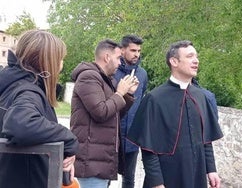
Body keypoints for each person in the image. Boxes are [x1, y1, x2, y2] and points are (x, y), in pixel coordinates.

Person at [127, 40, 223, 188]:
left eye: (196, 56)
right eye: (190, 56)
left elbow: (206, 139)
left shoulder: (201, 96)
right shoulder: (154, 99)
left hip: (197, 174)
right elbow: (148, 148)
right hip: (167, 177)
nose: (196, 60)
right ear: (174, 61)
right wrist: (157, 183)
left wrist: (211, 170)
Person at [0, 29, 78, 188]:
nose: (62, 64)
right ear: (49, 61)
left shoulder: (12, 85)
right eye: (60, 59)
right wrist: (68, 138)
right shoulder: (28, 90)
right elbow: (20, 124)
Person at [70, 39, 139, 188]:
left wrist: (126, 95)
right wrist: (120, 93)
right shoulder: (89, 77)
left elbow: (114, 115)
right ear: (107, 57)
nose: (120, 63)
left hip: (100, 161)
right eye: (118, 58)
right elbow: (101, 112)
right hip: (90, 164)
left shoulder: (105, 79)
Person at [114, 34, 148, 188]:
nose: (137, 54)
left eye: (139, 51)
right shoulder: (112, 71)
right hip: (112, 134)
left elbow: (141, 101)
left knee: (129, 179)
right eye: (133, 50)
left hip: (132, 137)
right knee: (107, 176)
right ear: (122, 50)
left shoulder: (142, 74)